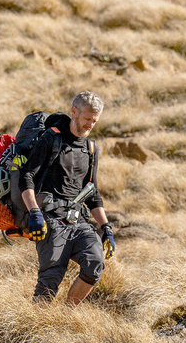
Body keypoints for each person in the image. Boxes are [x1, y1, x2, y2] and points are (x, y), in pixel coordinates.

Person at [18, 91, 114, 306]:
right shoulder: (51, 139)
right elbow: (27, 176)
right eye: (87, 118)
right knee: (50, 280)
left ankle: (66, 317)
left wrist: (106, 227)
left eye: (94, 121)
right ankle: (35, 329)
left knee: (94, 265)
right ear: (74, 112)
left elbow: (92, 192)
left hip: (79, 222)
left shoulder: (90, 148)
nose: (90, 125)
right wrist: (34, 212)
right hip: (50, 221)